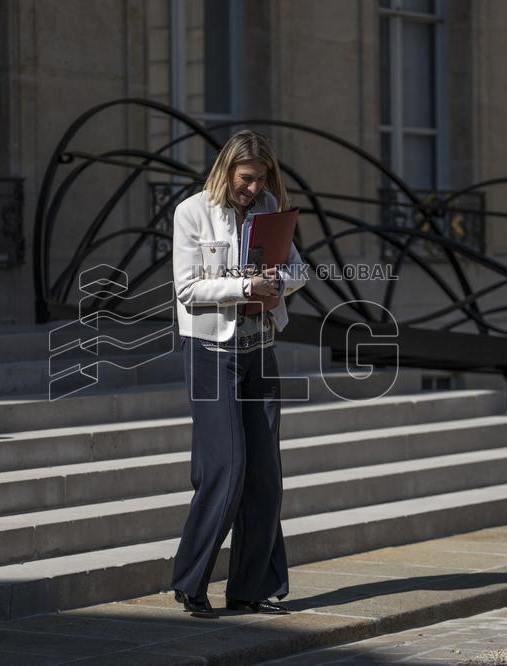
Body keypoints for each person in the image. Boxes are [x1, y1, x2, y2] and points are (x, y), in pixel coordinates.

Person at [170, 130, 307, 616]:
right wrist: (247, 284)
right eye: (247, 179)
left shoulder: (271, 209)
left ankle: (250, 589)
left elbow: (299, 271)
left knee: (265, 476)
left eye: (261, 179)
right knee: (225, 467)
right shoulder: (192, 212)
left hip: (260, 350)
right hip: (211, 350)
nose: (253, 188)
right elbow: (187, 290)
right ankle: (190, 583)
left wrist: (277, 284)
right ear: (227, 169)